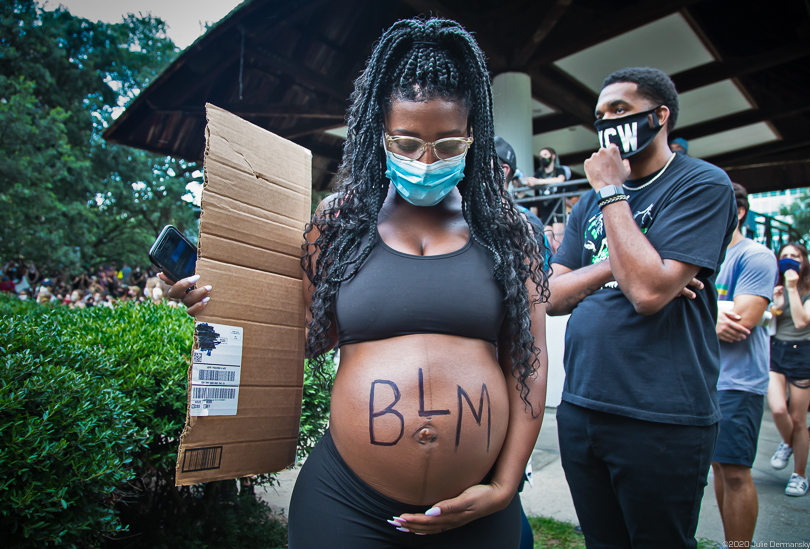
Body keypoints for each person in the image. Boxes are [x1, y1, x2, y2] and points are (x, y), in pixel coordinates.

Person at [163, 18, 549, 548]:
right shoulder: (337, 223)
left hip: (477, 508)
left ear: (473, 135)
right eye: (407, 143)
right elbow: (303, 338)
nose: (426, 161)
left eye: (447, 143)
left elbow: (528, 361)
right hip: (349, 506)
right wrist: (218, 303)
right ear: (378, 133)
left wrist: (505, 485)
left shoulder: (510, 231)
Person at [547, 67, 737, 547]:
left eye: (620, 110)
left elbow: (649, 294)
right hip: (582, 408)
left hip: (660, 418)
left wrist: (612, 191)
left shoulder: (701, 184)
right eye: (600, 115)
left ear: (660, 115)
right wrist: (624, 264)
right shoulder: (588, 205)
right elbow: (550, 295)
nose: (608, 123)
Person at [711, 182, 778, 544]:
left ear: (737, 213)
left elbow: (744, 319)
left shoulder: (755, 256)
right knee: (719, 468)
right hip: (706, 379)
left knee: (736, 472)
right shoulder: (704, 254)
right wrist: (715, 316)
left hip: (739, 383)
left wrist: (703, 313)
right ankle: (730, 542)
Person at [767, 242, 810, 497]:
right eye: (785, 257)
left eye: (795, 256)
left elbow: (802, 320)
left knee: (798, 419)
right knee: (778, 408)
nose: (790, 260)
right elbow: (768, 319)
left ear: (804, 260)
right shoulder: (776, 285)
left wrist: (793, 289)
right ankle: (788, 443)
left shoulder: (804, 289)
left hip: (803, 353)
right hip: (776, 350)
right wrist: (775, 303)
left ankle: (799, 475)